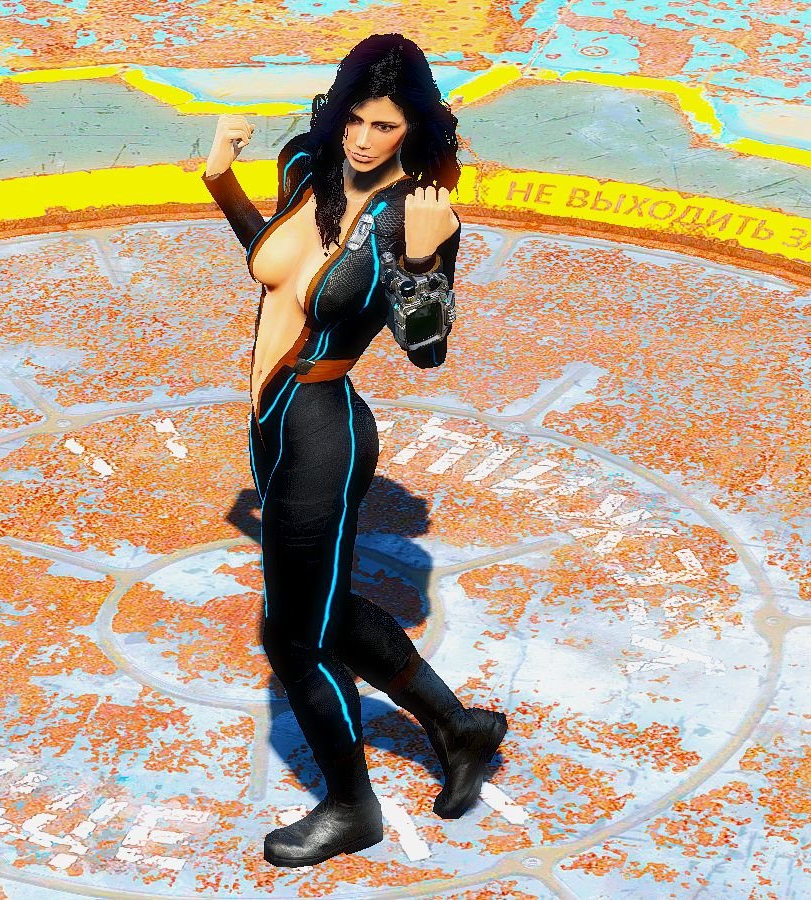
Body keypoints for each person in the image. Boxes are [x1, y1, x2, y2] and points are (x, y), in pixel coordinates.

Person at [199, 33, 509, 868]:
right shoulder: (308, 166)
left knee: (293, 639)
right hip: (270, 425)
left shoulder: (416, 215)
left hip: (323, 434)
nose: (366, 140)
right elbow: (276, 263)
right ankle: (459, 728)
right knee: (325, 611)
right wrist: (221, 181)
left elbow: (428, 350)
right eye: (357, 120)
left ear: (414, 130)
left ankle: (350, 807)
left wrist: (423, 262)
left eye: (386, 126)